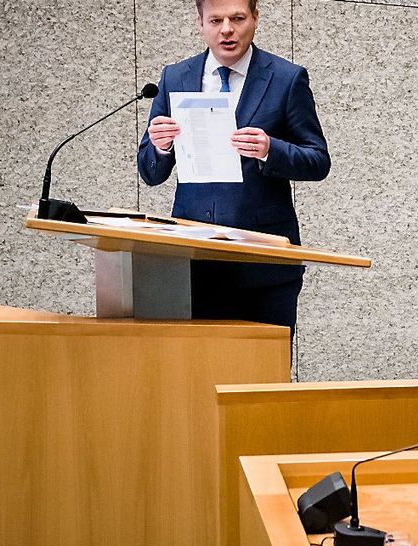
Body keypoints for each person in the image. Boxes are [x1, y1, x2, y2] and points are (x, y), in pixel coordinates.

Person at [137, 0, 330, 332]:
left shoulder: (286, 78)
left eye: (237, 18)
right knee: (200, 376)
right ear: (201, 23)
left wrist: (272, 150)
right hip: (193, 264)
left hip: (264, 268)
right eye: (215, 20)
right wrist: (159, 145)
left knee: (262, 377)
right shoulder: (175, 77)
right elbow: (150, 171)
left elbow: (317, 160)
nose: (226, 29)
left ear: (255, 19)